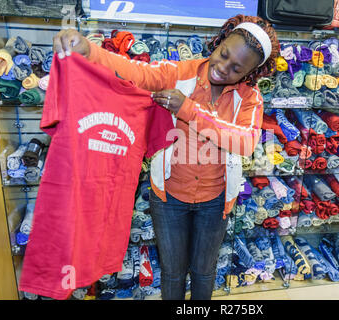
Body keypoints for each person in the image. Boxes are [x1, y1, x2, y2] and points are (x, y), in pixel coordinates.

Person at [53, 14, 279, 300]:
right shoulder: (179, 72)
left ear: (249, 73)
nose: (223, 68)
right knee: (171, 272)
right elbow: (137, 71)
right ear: (220, 42)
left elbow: (245, 141)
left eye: (236, 69)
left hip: (215, 201)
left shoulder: (250, 98)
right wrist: (91, 50)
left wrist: (189, 110)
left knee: (203, 271)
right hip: (168, 197)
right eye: (223, 55)